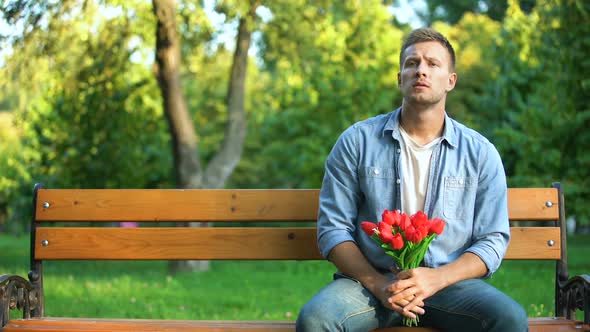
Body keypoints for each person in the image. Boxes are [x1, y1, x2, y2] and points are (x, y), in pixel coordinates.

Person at [296, 28, 528, 331]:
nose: (421, 70)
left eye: (433, 64)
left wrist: (436, 279)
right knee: (316, 319)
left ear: (451, 81)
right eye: (412, 63)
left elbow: (493, 239)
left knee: (509, 318)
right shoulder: (357, 141)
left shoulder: (480, 153)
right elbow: (333, 229)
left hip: (449, 286)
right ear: (399, 78)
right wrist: (378, 284)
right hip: (370, 285)